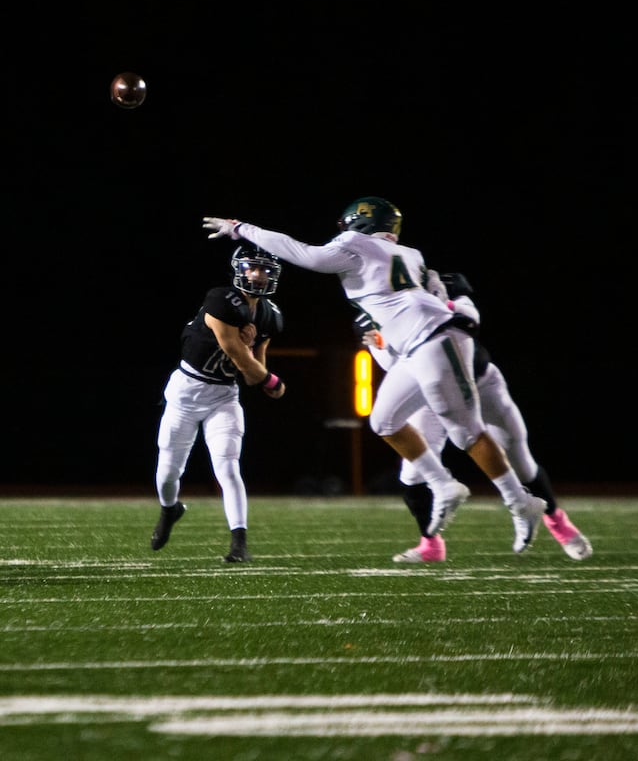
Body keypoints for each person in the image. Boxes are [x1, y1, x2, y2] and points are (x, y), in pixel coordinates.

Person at [202, 197, 547, 553]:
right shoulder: (410, 254)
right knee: (383, 420)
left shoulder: (356, 243)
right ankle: (443, 484)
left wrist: (242, 228)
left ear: (359, 223)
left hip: (435, 338)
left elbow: (306, 255)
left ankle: (521, 503)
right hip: (416, 345)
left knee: (465, 432)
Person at [357, 272, 593, 563]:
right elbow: (396, 366)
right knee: (412, 473)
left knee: (520, 461)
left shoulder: (435, 283)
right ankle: (431, 545)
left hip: (481, 382)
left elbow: (470, 319)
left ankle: (558, 524)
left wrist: (440, 302)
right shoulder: (373, 313)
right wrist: (381, 343)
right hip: (427, 395)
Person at [151, 243, 286, 563]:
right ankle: (170, 510)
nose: (258, 274)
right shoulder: (220, 300)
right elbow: (243, 361)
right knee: (168, 472)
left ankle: (239, 543)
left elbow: (255, 373)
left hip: (223, 395)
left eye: (265, 269)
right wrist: (273, 382)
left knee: (227, 466)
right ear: (239, 269)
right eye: (253, 267)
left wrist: (261, 370)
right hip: (186, 392)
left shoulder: (270, 315)